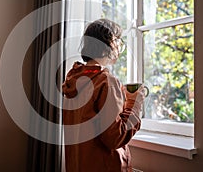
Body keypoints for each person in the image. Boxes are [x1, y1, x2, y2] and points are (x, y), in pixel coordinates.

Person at [62, 18, 145, 172]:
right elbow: (115, 137)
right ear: (111, 43)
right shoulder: (106, 81)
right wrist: (135, 102)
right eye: (119, 40)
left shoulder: (73, 81)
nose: (120, 46)